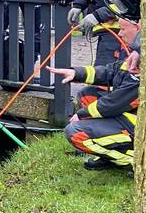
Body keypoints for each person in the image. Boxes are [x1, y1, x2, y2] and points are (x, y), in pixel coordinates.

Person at [48, 19, 140, 171]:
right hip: (128, 116)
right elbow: (110, 71)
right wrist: (76, 73)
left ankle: (133, 160)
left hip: (138, 124)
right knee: (87, 95)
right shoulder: (135, 55)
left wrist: (82, 114)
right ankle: (109, 152)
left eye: (123, 29)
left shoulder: (145, 64)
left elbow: (116, 102)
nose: (119, 33)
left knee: (75, 132)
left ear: (139, 28)